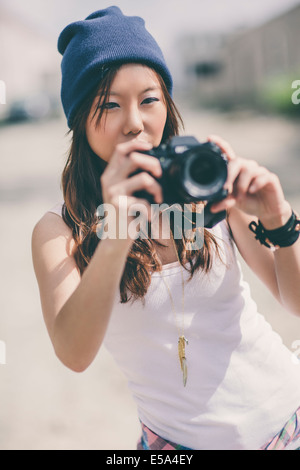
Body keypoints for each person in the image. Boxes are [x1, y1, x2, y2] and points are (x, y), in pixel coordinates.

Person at [31, 6, 300, 450]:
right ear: (79, 119)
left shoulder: (207, 183)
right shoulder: (61, 228)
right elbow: (74, 354)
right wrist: (117, 228)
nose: (135, 121)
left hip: (287, 419)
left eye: (149, 99)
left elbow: (294, 300)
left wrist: (279, 218)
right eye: (109, 104)